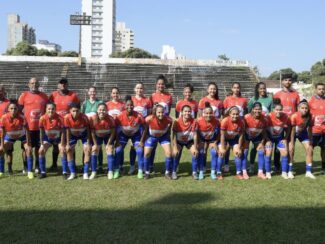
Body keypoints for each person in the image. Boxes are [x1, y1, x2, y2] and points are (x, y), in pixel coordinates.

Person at [18, 77, 49, 174]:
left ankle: (36, 166)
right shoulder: (24, 95)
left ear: (39, 85)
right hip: (28, 128)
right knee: (26, 148)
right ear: (29, 84)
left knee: (38, 148)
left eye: (36, 83)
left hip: (40, 128)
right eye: (32, 83)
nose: (34, 85)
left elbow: (48, 111)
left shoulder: (44, 96)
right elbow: (19, 110)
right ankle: (25, 166)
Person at [49, 78, 80, 171]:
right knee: (56, 146)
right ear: (58, 85)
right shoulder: (53, 95)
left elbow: (78, 107)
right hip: (56, 125)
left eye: (65, 83)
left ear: (67, 84)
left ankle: (72, 164)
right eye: (61, 83)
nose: (63, 85)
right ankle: (54, 164)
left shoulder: (73, 95)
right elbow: (48, 108)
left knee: (70, 145)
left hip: (69, 125)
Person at [273, 74, 300, 172]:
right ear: (282, 82)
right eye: (285, 80)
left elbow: (298, 110)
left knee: (290, 145)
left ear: (291, 81)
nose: (287, 82)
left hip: (291, 125)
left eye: (289, 80)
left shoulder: (296, 94)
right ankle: (276, 166)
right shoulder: (277, 94)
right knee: (278, 146)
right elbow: (274, 109)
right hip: (279, 124)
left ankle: (289, 165)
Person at [0, 101, 33, 179]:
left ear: (18, 109)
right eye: (11, 108)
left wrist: (28, 144)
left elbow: (27, 131)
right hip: (10, 136)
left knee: (29, 150)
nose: (13, 110)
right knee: (0, 150)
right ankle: (1, 171)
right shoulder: (3, 118)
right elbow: (2, 133)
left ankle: (30, 171)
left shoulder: (22, 117)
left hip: (22, 135)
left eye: (15, 108)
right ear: (8, 109)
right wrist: (1, 145)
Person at [115, 96, 145, 179]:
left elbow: (145, 127)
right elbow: (114, 128)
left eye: (131, 105)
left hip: (135, 135)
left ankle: (139, 170)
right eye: (128, 105)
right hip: (123, 134)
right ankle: (117, 169)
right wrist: (117, 140)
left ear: (133, 106)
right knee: (118, 150)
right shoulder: (120, 116)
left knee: (139, 150)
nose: (129, 107)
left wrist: (142, 141)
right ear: (125, 106)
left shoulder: (139, 116)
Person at [247, 82, 273, 173]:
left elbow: (271, 113)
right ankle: (251, 165)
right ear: (257, 89)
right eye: (260, 88)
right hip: (252, 127)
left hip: (264, 127)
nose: (262, 90)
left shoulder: (270, 100)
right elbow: (248, 112)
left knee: (263, 147)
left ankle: (265, 167)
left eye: (264, 88)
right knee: (254, 148)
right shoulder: (253, 100)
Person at [149, 75, 173, 173]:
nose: (160, 85)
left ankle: (169, 168)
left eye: (162, 84)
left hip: (164, 126)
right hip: (155, 126)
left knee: (167, 149)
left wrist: (168, 127)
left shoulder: (169, 96)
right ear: (156, 85)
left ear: (164, 85)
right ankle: (150, 166)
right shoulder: (152, 96)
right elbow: (151, 111)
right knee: (152, 148)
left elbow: (168, 112)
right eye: (159, 84)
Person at [142, 104, 173, 179]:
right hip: (152, 137)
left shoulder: (169, 119)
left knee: (169, 153)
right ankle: (147, 172)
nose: (161, 114)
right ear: (155, 112)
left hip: (163, 137)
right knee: (146, 153)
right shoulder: (149, 119)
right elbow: (145, 129)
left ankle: (167, 172)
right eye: (159, 112)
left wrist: (168, 133)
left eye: (162, 112)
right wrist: (143, 140)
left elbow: (170, 125)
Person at [223, 82, 248, 173]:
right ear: (231, 89)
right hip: (229, 126)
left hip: (240, 127)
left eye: (238, 87)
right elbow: (224, 114)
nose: (236, 89)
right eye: (234, 87)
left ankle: (240, 165)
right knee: (227, 146)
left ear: (240, 89)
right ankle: (226, 164)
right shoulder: (227, 99)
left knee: (239, 146)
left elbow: (245, 114)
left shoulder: (244, 100)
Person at [129, 82, 152, 175]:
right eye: (137, 88)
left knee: (142, 146)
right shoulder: (131, 99)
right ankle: (132, 166)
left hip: (143, 128)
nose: (139, 90)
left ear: (143, 90)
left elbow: (150, 115)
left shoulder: (147, 100)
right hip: (133, 127)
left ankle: (141, 166)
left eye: (141, 88)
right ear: (135, 89)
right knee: (132, 147)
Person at [265, 99, 291, 179]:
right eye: (276, 110)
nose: (278, 111)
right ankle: (268, 172)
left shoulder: (285, 116)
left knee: (285, 152)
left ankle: (283, 173)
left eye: (280, 110)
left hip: (279, 138)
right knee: (268, 152)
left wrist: (285, 138)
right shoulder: (268, 117)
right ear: (273, 110)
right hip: (269, 138)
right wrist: (267, 140)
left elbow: (289, 127)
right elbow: (263, 129)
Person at [38, 103, 66, 179]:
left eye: (52, 109)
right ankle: (43, 172)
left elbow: (63, 131)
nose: (51, 110)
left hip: (58, 138)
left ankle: (64, 172)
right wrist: (41, 143)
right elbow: (41, 132)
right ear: (46, 109)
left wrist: (63, 144)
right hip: (48, 138)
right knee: (41, 151)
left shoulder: (60, 118)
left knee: (62, 150)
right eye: (49, 109)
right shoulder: (42, 118)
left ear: (55, 109)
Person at [64, 103, 91, 180]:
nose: (75, 113)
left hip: (83, 135)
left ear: (80, 111)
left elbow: (88, 130)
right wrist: (68, 144)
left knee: (87, 149)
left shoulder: (85, 117)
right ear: (70, 111)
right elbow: (67, 131)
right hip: (72, 135)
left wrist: (88, 143)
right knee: (69, 150)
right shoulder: (66, 118)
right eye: (73, 111)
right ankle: (73, 173)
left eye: (77, 111)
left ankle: (85, 173)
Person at [289, 100, 315, 179]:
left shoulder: (311, 116)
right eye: (302, 108)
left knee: (310, 149)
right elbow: (292, 131)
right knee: (291, 150)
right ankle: (290, 171)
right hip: (292, 133)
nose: (304, 110)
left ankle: (308, 172)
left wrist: (311, 141)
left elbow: (310, 129)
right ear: (298, 108)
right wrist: (292, 143)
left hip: (303, 133)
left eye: (306, 108)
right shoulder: (294, 116)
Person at [89, 103, 115, 180]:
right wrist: (95, 144)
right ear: (97, 110)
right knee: (94, 150)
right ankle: (94, 172)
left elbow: (113, 132)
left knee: (109, 150)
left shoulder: (110, 119)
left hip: (107, 136)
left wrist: (109, 143)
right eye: (100, 109)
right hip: (97, 136)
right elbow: (92, 132)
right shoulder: (93, 119)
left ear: (106, 111)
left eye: (104, 110)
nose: (102, 111)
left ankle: (110, 171)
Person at [81, 86, 104, 173]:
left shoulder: (100, 102)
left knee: (98, 147)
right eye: (91, 91)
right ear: (88, 93)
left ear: (96, 92)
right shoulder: (84, 103)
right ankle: (85, 165)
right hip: (87, 129)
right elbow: (82, 116)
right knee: (86, 147)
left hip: (97, 129)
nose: (92, 93)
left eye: (94, 91)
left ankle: (100, 165)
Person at [172, 105, 199, 180]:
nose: (187, 113)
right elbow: (173, 135)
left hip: (189, 141)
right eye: (185, 111)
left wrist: (196, 147)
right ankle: (174, 171)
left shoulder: (194, 121)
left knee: (195, 153)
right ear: (182, 112)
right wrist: (174, 147)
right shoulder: (177, 121)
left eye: (189, 111)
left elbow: (195, 135)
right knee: (176, 153)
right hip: (179, 141)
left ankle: (194, 172)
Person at [218, 106, 245, 180]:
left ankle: (238, 173)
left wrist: (239, 148)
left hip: (233, 139)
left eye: (237, 114)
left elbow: (240, 136)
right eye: (233, 114)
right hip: (224, 139)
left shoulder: (241, 122)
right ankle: (219, 173)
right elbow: (222, 136)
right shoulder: (225, 121)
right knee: (221, 153)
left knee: (238, 153)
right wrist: (223, 148)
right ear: (229, 114)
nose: (235, 116)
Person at [243, 102, 268, 180]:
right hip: (246, 135)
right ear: (253, 109)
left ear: (261, 110)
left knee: (261, 151)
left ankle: (260, 172)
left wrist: (262, 143)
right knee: (245, 152)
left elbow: (264, 132)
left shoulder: (264, 119)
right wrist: (244, 141)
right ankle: (244, 172)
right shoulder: (246, 117)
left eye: (259, 109)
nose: (257, 111)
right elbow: (242, 131)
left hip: (257, 136)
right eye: (256, 109)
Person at [197, 102, 220, 180]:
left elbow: (220, 134)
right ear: (203, 113)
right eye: (206, 113)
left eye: (210, 113)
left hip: (212, 140)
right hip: (202, 139)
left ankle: (213, 172)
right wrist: (199, 142)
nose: (208, 115)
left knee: (214, 152)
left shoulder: (217, 121)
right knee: (202, 152)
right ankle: (201, 170)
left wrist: (215, 142)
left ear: (213, 113)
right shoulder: (198, 121)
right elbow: (195, 134)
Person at [309, 83, 325, 174]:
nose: (321, 90)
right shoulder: (311, 101)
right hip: (314, 131)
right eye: (319, 89)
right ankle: (309, 168)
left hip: (324, 130)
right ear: (316, 90)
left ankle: (323, 167)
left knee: (324, 150)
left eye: (323, 89)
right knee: (310, 149)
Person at [0, 86, 11, 174]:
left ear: (4, 92)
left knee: (8, 150)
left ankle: (9, 168)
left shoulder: (8, 103)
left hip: (6, 131)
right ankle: (1, 169)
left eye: (1, 91)